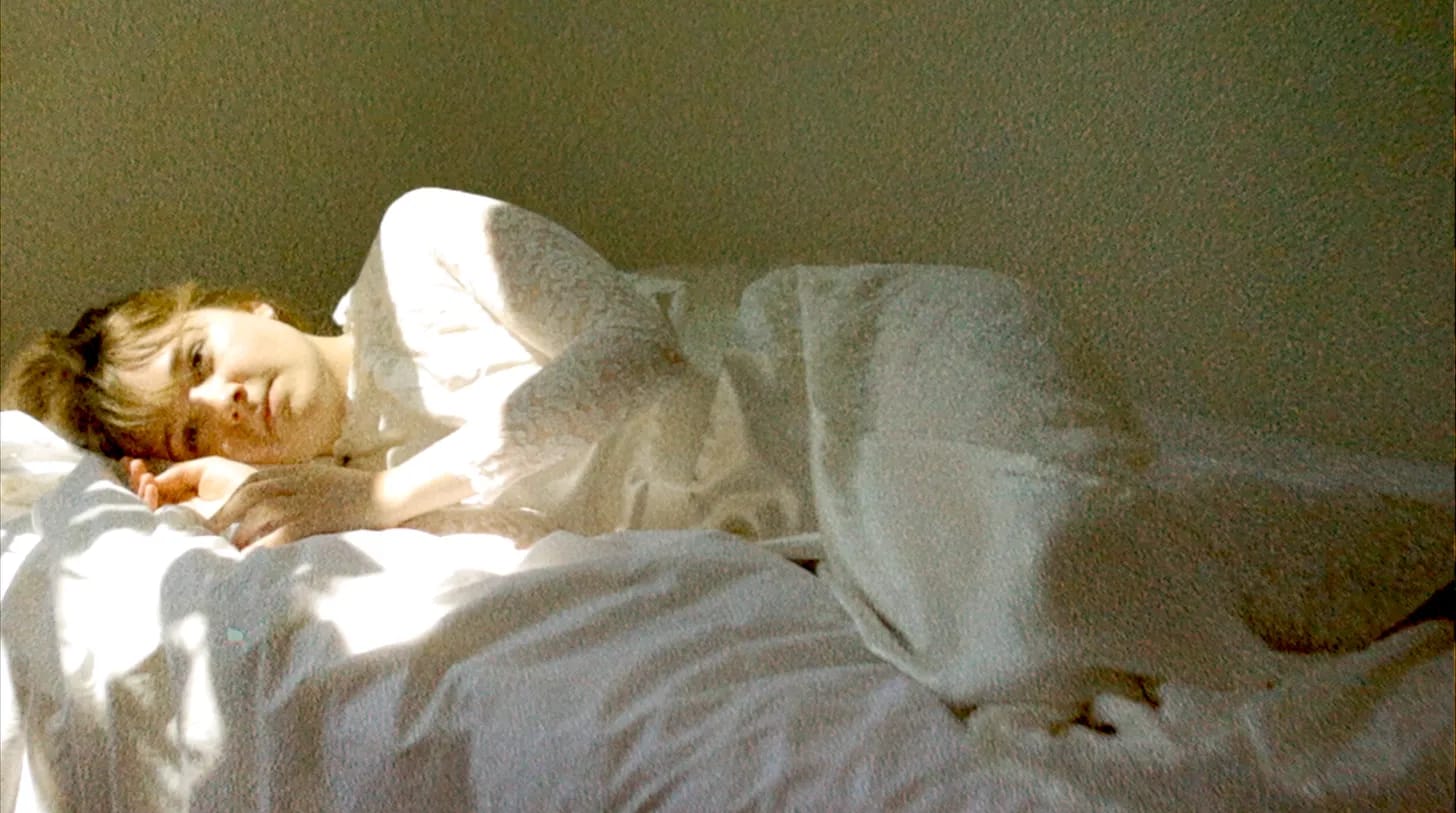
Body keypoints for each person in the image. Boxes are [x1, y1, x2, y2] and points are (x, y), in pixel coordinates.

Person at [2, 187, 790, 549]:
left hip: (803, 415)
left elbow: (638, 348)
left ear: (249, 306)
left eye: (199, 359)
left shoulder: (415, 242)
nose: (225, 402)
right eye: (191, 431)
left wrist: (385, 497)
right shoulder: (346, 512)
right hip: (774, 550)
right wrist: (235, 494)